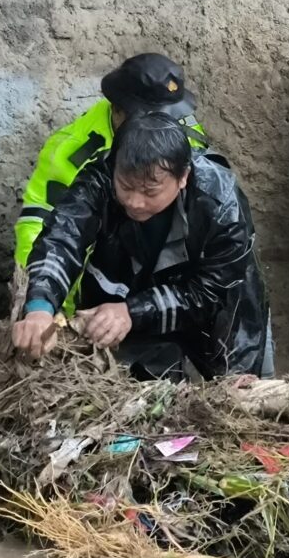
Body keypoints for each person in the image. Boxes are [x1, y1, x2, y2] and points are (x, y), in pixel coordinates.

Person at [14, 112, 268, 379]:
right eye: (125, 186)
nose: (135, 202)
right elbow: (62, 239)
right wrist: (40, 307)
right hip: (125, 287)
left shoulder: (220, 202)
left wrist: (133, 312)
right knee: (130, 385)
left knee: (236, 390)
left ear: (183, 177)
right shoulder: (99, 178)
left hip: (216, 307)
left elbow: (210, 292)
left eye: (150, 192)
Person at [14, 54, 205, 273]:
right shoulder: (72, 154)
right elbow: (41, 227)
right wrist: (51, 300)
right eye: (151, 118)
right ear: (117, 110)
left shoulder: (184, 129)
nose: (160, 128)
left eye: (169, 117)